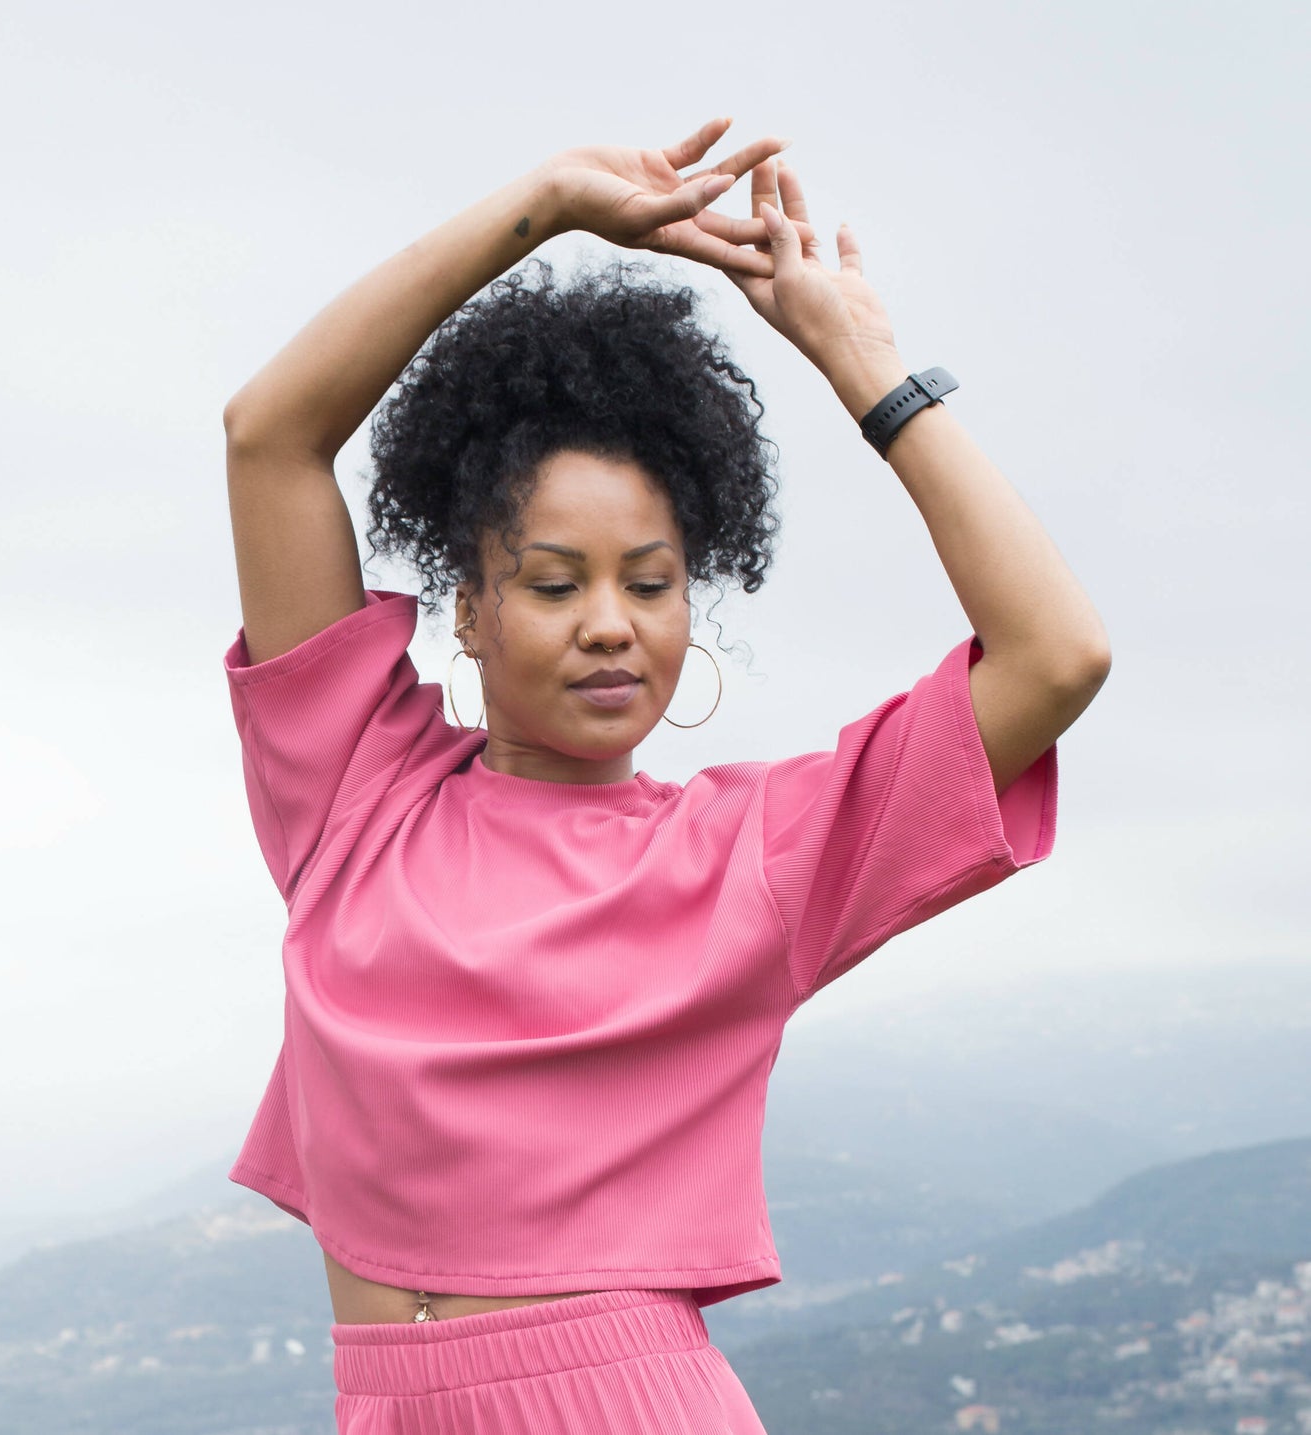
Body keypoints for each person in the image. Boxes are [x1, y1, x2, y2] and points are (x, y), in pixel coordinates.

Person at [220, 116, 1110, 1435]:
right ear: (464, 605)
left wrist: (858, 358)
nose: (608, 622)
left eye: (651, 582)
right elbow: (269, 439)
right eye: (551, 580)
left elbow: (1055, 655)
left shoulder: (756, 854)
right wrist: (541, 201)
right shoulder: (354, 791)